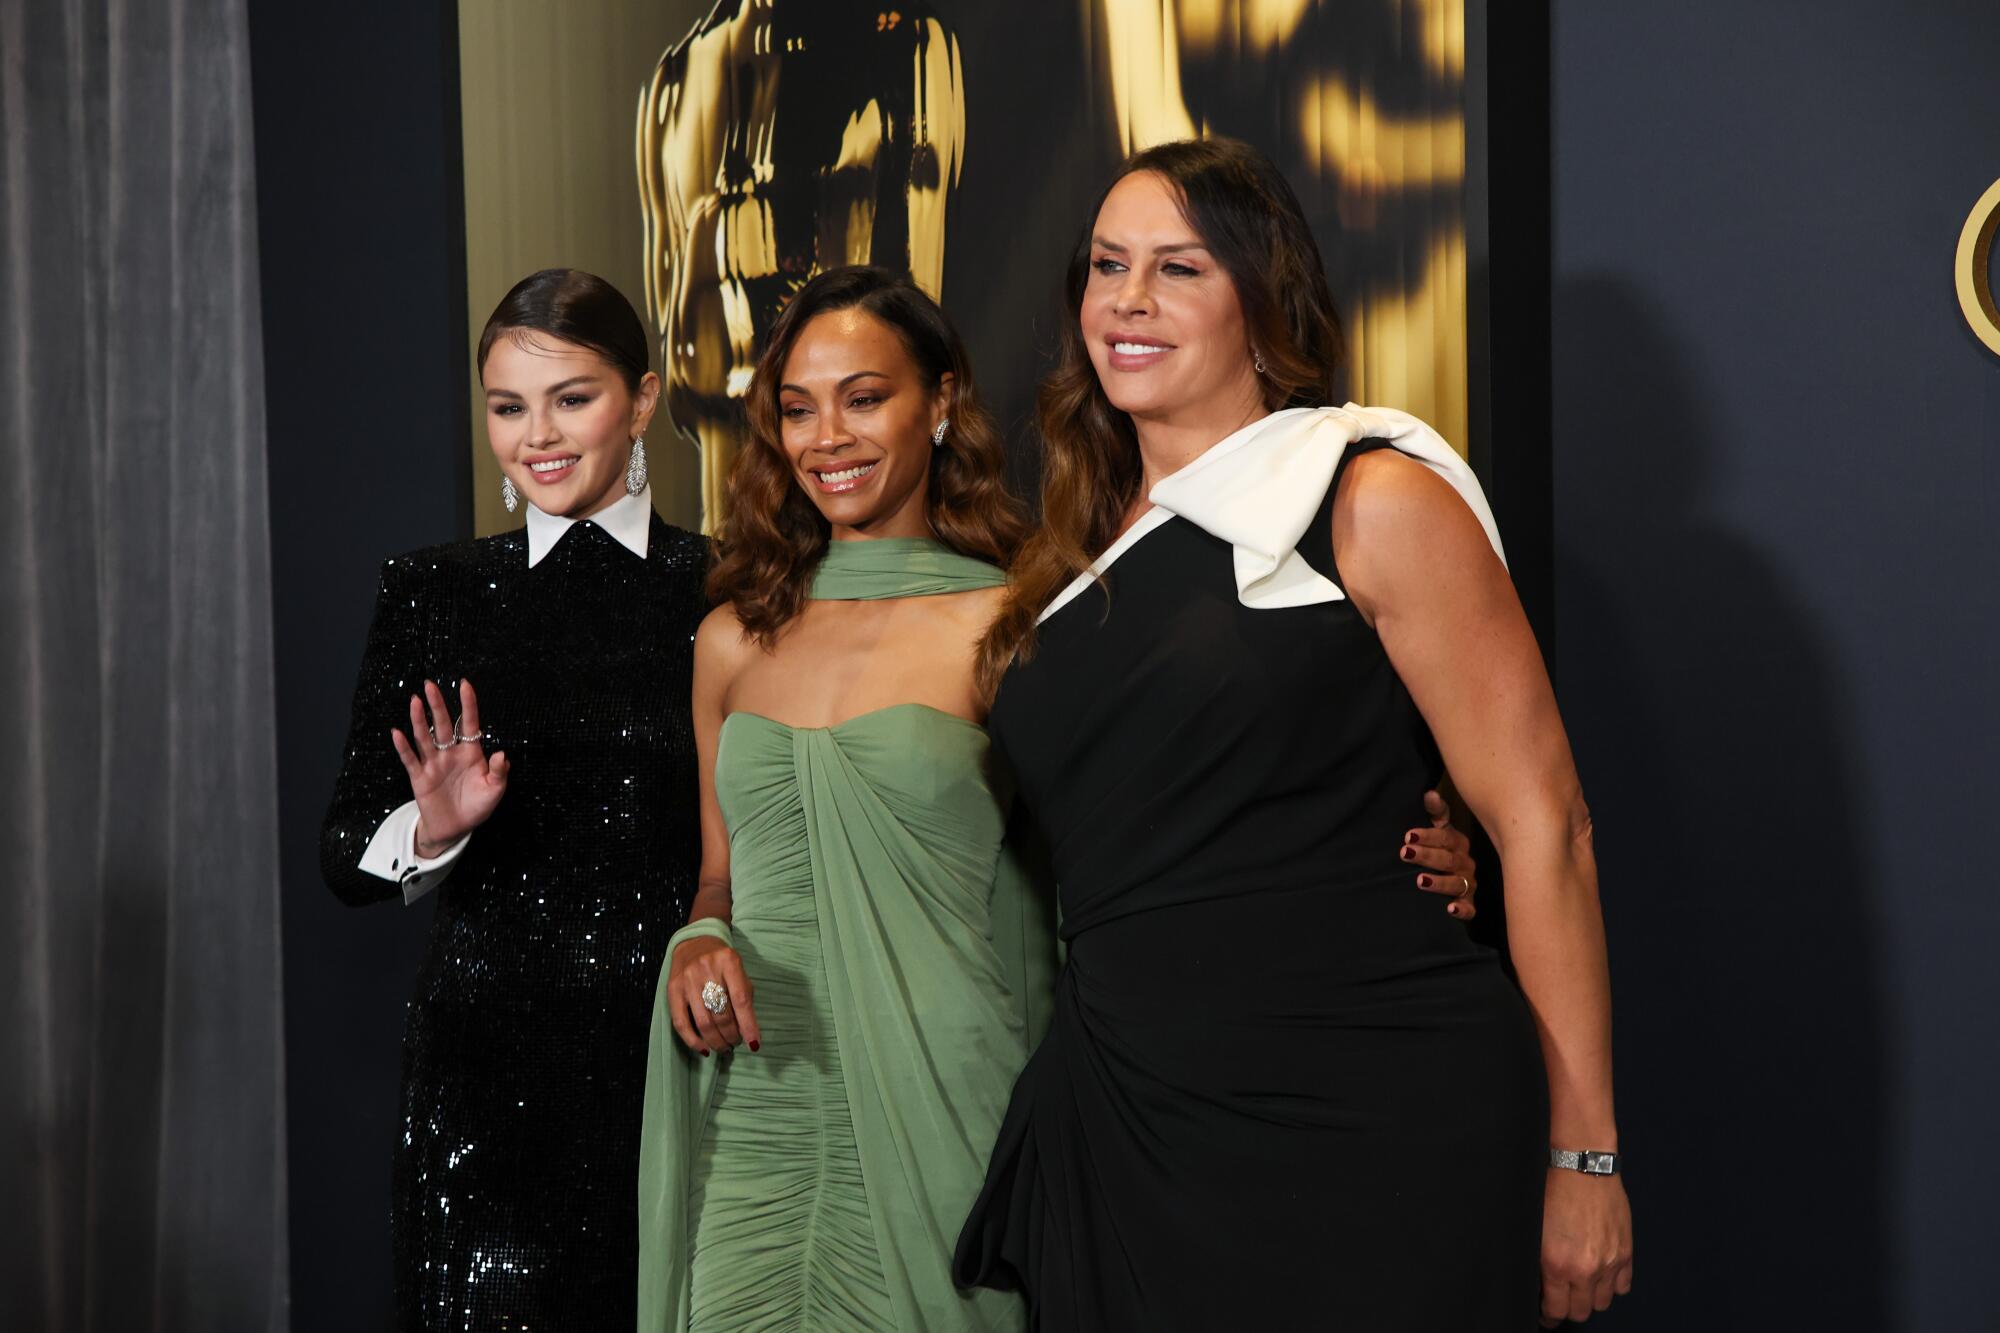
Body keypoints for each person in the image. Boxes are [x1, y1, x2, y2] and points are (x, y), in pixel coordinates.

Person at [634, 265, 1488, 1331]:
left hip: (947, 1102)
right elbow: (719, 869)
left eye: (864, 396)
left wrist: (1411, 849)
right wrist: (701, 935)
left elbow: (1166, 826)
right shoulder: (728, 639)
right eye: (797, 409)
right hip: (756, 1109)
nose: (827, 437)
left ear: (941, 401)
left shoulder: (1018, 622)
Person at [955, 139, 1634, 1330]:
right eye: (1107, 265)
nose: (1127, 298)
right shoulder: (1066, 553)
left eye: (1179, 268)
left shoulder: (1366, 497)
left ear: (1264, 300)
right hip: (1134, 1122)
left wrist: (1582, 1161)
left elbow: (1545, 824)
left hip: (1370, 1109)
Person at [319, 269, 708, 1327]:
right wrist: (432, 830)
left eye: (570, 398)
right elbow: (346, 852)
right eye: (506, 407)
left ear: (641, 396)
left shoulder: (727, 586)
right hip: (486, 1081)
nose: (536, 435)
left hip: (679, 1061)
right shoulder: (432, 592)